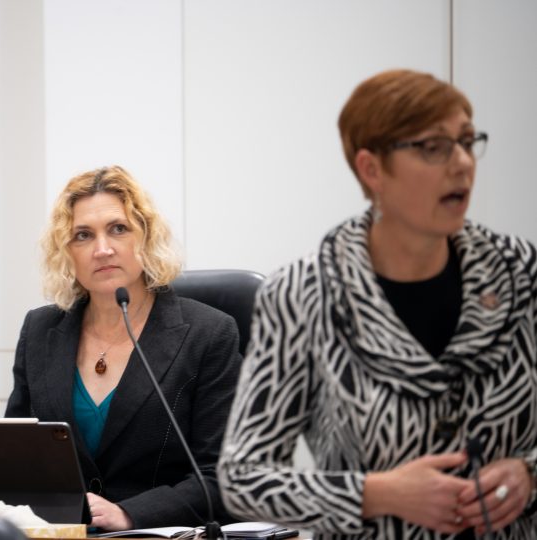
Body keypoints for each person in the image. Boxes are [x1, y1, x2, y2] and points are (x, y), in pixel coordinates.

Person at [217, 69, 537, 539]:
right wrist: (378, 493)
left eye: (468, 141)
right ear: (372, 169)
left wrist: (529, 474)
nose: (463, 162)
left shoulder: (522, 272)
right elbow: (244, 476)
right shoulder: (304, 294)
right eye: (434, 147)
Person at [5, 165, 241, 530]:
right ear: (67, 252)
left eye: (118, 228)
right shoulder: (40, 330)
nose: (102, 249)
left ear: (144, 238)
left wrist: (130, 513)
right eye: (83, 235)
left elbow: (222, 477)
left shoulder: (209, 334)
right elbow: (15, 456)